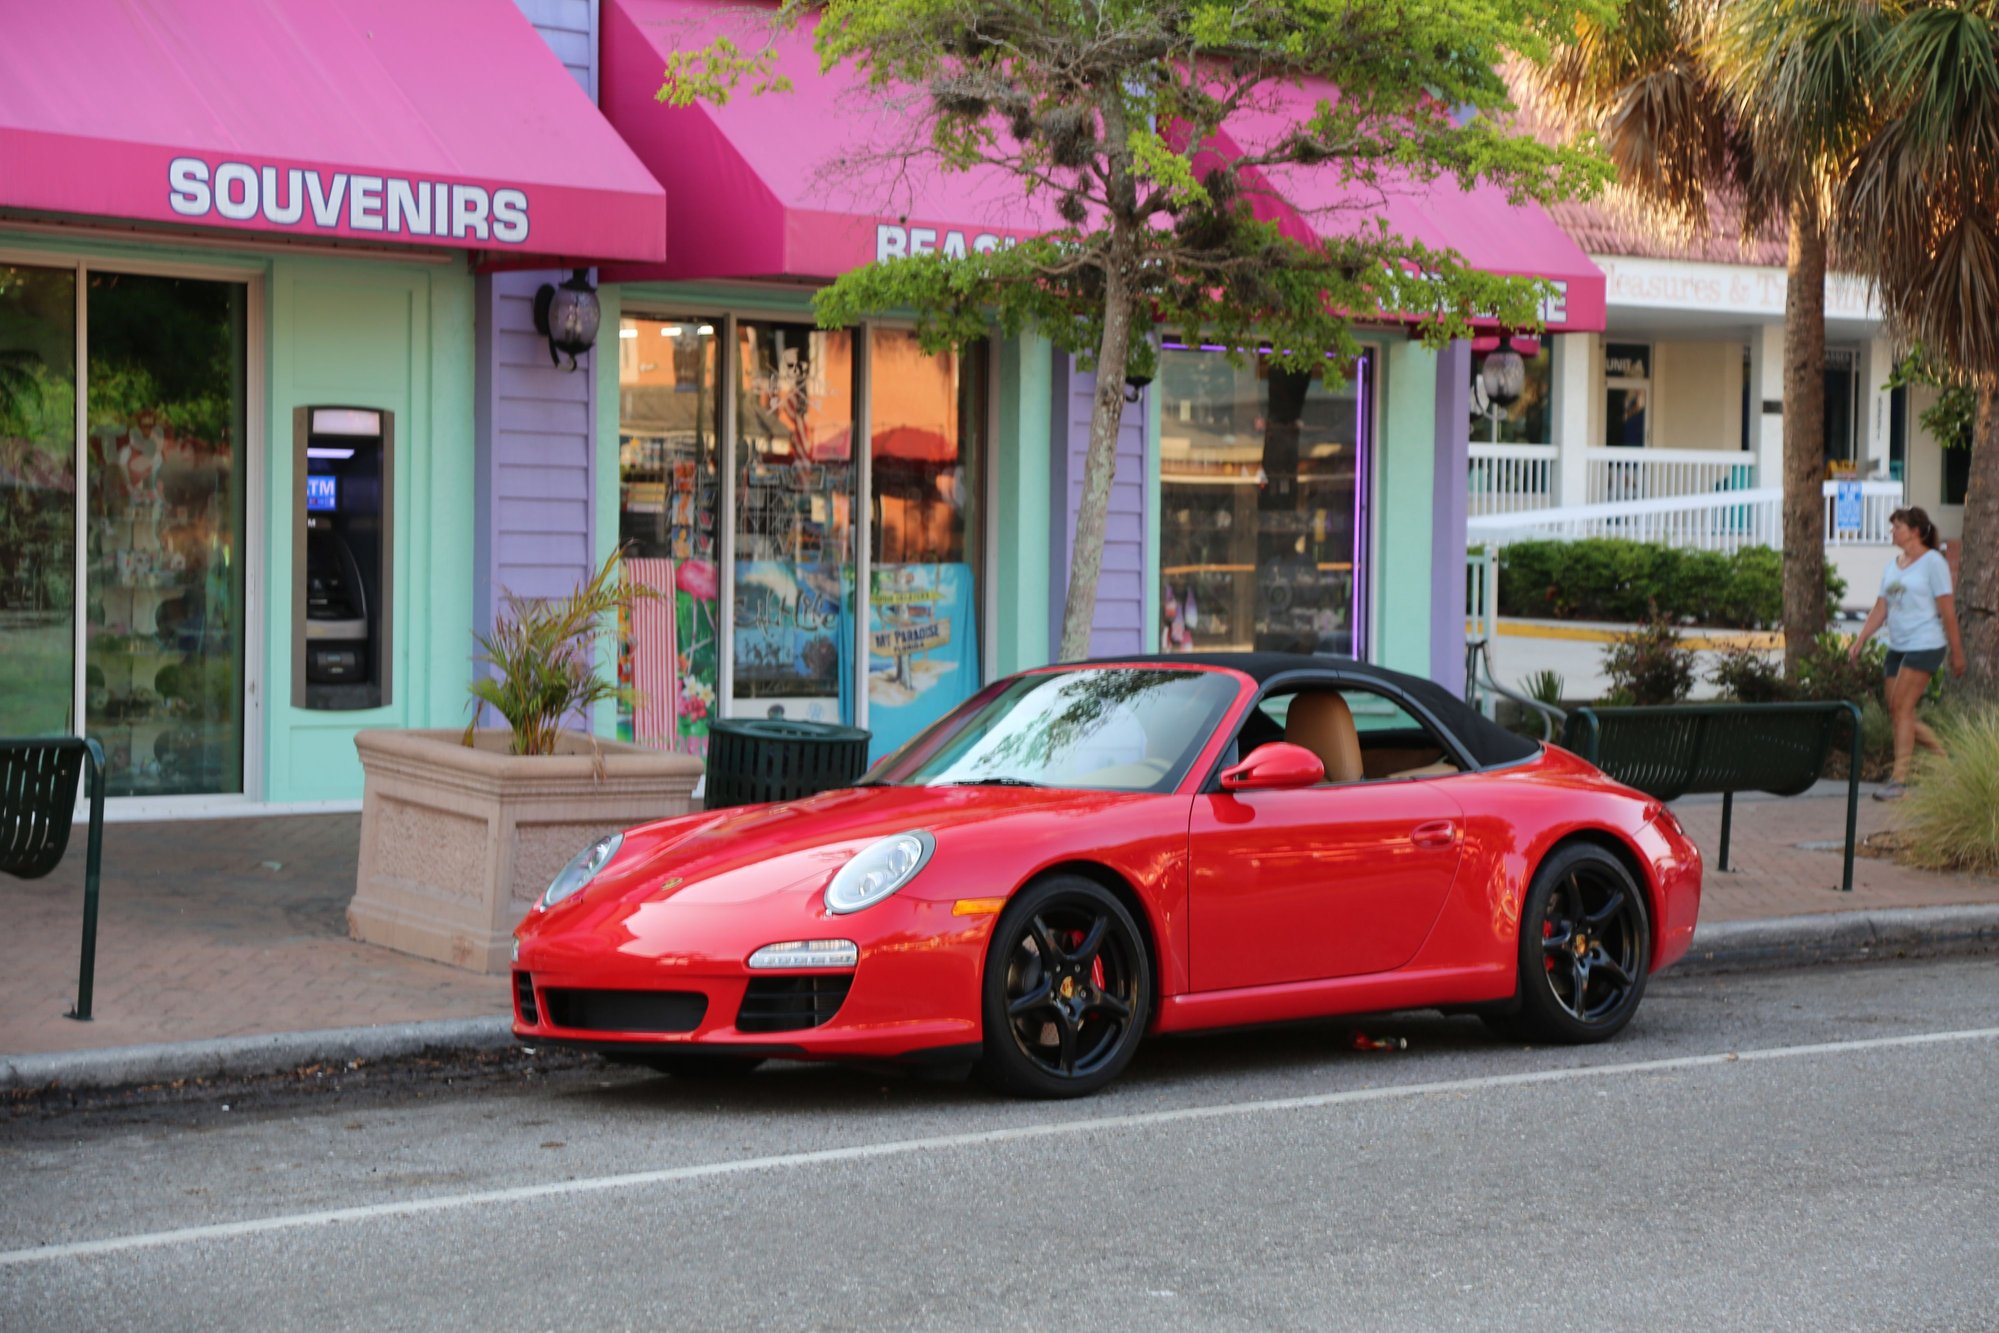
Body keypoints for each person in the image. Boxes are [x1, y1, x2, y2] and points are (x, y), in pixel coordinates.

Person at [1847, 506, 1966, 799]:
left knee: (1902, 708)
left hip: (1925, 643)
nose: (1892, 532)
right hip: (1897, 646)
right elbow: (1881, 607)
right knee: (1899, 711)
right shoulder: (1893, 565)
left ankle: (1900, 780)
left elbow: (1947, 609)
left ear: (1914, 531)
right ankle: (1945, 760)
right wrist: (1861, 639)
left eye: (1897, 527)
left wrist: (1957, 651)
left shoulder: (1933, 563)